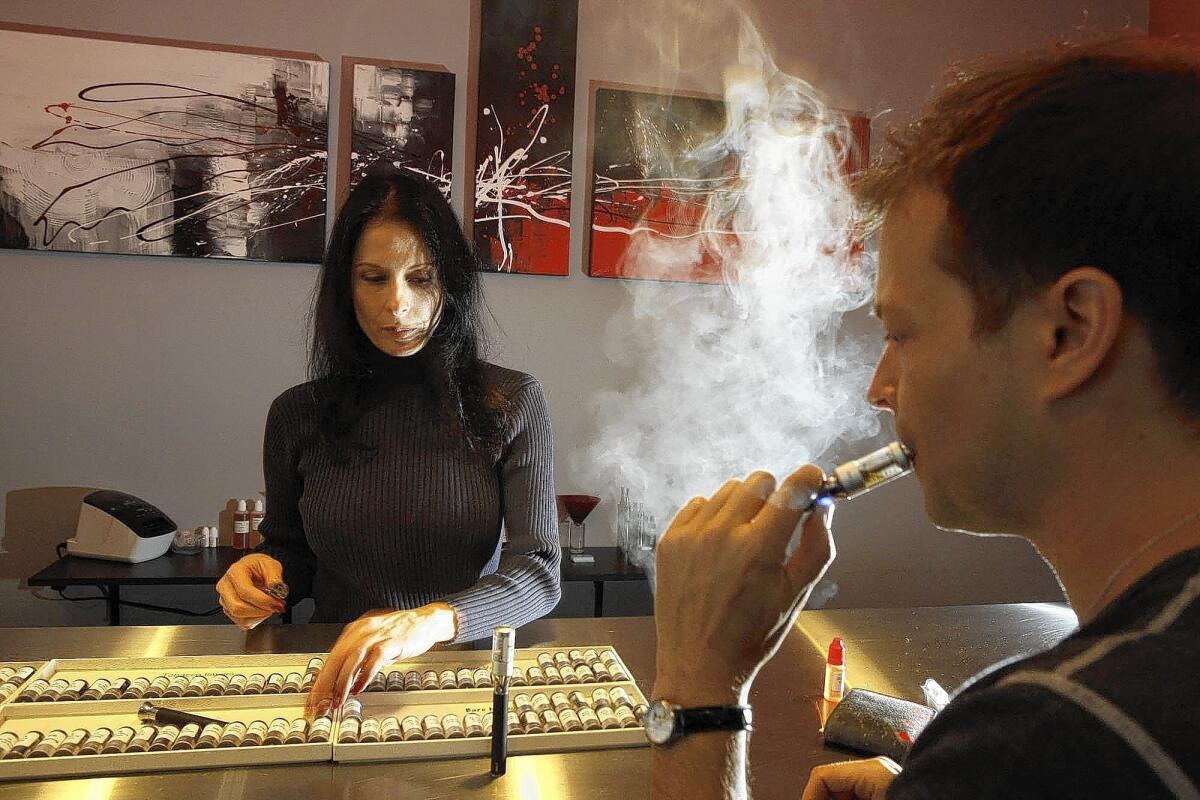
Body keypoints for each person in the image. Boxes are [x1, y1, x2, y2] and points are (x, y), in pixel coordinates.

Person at [651, 38, 1200, 799]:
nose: (880, 388)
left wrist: (694, 689)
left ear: (1068, 331)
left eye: (901, 332)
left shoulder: (1048, 739)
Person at [215, 172, 560, 712]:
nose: (397, 305)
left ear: (452, 282)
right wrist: (264, 576)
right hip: (332, 675)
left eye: (420, 278)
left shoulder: (512, 401)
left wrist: (425, 623)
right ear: (344, 287)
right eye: (374, 278)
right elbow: (293, 551)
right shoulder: (296, 413)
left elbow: (538, 571)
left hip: (461, 674)